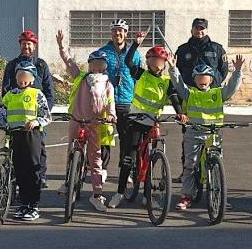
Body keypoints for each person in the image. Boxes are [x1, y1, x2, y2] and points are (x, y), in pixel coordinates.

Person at [108, 30, 182, 209]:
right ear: (148, 62)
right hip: (135, 120)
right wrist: (135, 44)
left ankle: (147, 195)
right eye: (153, 61)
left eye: (160, 61)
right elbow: (127, 61)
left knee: (150, 160)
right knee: (129, 157)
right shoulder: (141, 74)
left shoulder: (166, 81)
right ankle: (119, 193)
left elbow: (173, 98)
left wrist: (180, 112)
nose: (157, 64)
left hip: (152, 123)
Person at [169, 57, 244, 211]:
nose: (202, 80)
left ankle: (219, 197)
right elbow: (178, 84)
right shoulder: (190, 93)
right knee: (190, 164)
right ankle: (186, 196)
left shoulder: (218, 93)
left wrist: (237, 71)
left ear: (211, 80)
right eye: (199, 77)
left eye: (205, 77)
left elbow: (232, 87)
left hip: (213, 133)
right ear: (195, 80)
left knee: (216, 165)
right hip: (194, 133)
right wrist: (173, 69)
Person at [56, 31, 116, 211]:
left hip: (95, 123)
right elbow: (68, 62)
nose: (97, 68)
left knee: (95, 159)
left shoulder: (107, 84)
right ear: (89, 65)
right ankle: (69, 182)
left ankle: (97, 195)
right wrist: (61, 47)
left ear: (104, 67)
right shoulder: (80, 77)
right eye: (94, 64)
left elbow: (110, 102)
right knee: (71, 151)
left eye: (100, 65)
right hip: (76, 120)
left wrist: (111, 115)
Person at [0, 61, 52, 221]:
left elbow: (46, 116)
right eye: (20, 75)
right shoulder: (10, 95)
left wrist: (36, 122)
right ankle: (24, 203)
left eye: (26, 76)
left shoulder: (37, 94)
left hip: (32, 135)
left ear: (32, 79)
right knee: (20, 172)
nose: (22, 79)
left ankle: (33, 206)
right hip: (15, 135)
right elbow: (1, 116)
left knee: (33, 170)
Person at [174, 18, 227, 182]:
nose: (200, 31)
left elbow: (223, 71)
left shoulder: (217, 49)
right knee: (189, 138)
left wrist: (212, 86)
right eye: (197, 28)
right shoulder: (183, 50)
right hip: (190, 97)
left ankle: (210, 175)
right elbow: (177, 71)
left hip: (210, 98)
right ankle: (187, 171)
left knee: (212, 141)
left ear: (206, 30)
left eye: (202, 29)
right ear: (192, 30)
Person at [1, 29, 54, 188]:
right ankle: (16, 178)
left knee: (39, 149)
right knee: (14, 149)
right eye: (24, 44)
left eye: (29, 44)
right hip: (16, 116)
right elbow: (5, 90)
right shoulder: (12, 65)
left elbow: (49, 91)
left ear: (34, 46)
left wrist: (44, 112)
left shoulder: (41, 65)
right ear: (20, 45)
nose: (26, 47)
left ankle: (40, 176)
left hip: (36, 115)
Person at [99, 19, 142, 174]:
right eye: (115, 30)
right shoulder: (103, 52)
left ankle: (124, 169)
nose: (117, 33)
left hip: (126, 100)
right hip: (106, 101)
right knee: (105, 137)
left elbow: (139, 78)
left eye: (121, 30)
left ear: (126, 33)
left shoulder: (134, 54)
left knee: (126, 139)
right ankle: (102, 169)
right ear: (111, 33)